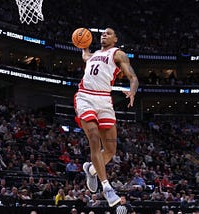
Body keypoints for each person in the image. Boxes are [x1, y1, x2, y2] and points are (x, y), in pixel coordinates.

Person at [74, 27, 139, 207]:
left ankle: (91, 169)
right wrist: (83, 46)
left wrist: (132, 91)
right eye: (103, 33)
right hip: (85, 96)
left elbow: (133, 77)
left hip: (104, 100)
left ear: (115, 39)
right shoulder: (93, 54)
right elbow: (86, 57)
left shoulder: (118, 54)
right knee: (94, 137)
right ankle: (107, 187)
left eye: (109, 33)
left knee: (110, 150)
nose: (104, 34)